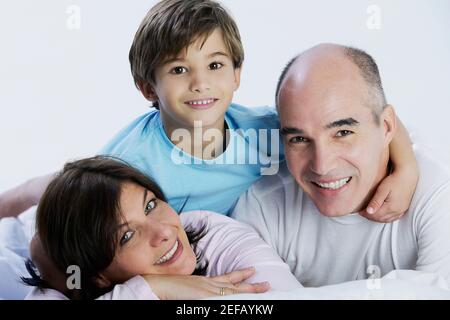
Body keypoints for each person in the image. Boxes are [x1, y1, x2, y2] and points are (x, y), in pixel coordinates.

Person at [0, 0, 417, 222]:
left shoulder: (264, 133)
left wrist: (407, 170)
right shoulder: (132, 166)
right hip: (94, 180)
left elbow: (368, 121)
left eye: (215, 65)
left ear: (237, 75)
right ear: (148, 87)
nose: (200, 83)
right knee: (54, 187)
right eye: (179, 69)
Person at [232, 43, 450, 287]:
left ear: (387, 127)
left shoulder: (437, 196)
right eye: (299, 139)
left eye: (343, 132)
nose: (322, 166)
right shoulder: (262, 204)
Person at [24, 156, 302, 300]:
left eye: (150, 205)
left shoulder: (209, 231)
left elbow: (284, 296)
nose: (165, 232)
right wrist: (153, 288)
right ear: (100, 277)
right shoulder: (59, 288)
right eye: (127, 236)